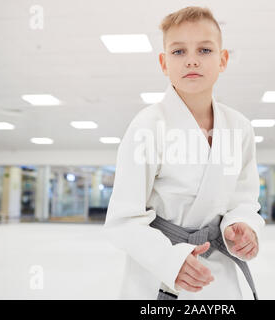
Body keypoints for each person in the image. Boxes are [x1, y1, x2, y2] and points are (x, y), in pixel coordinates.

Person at [103, 6, 266, 300]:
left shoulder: (239, 127)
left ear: (223, 59)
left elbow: (244, 199)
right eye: (179, 52)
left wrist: (242, 227)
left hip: (218, 272)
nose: (192, 60)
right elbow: (121, 219)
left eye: (204, 50)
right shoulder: (147, 126)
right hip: (158, 271)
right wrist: (169, 260)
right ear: (164, 63)